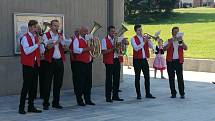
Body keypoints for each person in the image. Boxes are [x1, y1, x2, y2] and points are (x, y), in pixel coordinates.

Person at [18, 20, 43, 114]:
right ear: (31, 27)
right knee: (26, 86)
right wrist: (37, 44)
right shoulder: (24, 37)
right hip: (28, 65)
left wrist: (41, 45)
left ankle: (31, 106)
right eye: (36, 27)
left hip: (36, 64)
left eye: (37, 27)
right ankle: (21, 107)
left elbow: (39, 50)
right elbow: (27, 51)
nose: (37, 29)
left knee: (33, 87)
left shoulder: (36, 37)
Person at [42, 20, 66, 110]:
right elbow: (47, 47)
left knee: (58, 83)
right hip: (49, 62)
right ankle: (46, 103)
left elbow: (64, 47)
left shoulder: (60, 35)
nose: (57, 27)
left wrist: (63, 42)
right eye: (55, 26)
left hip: (59, 61)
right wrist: (56, 42)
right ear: (51, 26)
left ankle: (56, 102)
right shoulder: (46, 35)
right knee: (47, 83)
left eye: (58, 26)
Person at [130, 24, 156, 100]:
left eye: (141, 29)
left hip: (144, 60)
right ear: (135, 31)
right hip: (137, 60)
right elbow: (136, 48)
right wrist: (144, 42)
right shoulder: (133, 39)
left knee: (147, 77)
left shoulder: (144, 38)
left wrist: (149, 40)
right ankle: (138, 94)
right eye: (139, 30)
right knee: (137, 77)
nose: (140, 31)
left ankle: (148, 93)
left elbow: (151, 46)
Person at [163, 27, 188, 99]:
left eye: (177, 32)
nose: (176, 33)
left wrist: (181, 41)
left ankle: (182, 93)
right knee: (171, 78)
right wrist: (170, 42)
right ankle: (173, 93)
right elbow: (164, 49)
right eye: (175, 32)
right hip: (170, 61)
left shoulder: (180, 41)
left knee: (180, 77)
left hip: (178, 61)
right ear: (172, 33)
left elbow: (185, 48)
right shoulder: (169, 40)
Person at [73, 26, 95, 106]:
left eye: (87, 31)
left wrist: (93, 50)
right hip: (80, 64)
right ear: (80, 32)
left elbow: (93, 49)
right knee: (80, 83)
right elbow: (76, 50)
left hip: (88, 63)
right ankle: (79, 100)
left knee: (88, 82)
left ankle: (88, 99)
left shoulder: (88, 39)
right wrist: (87, 49)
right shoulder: (76, 39)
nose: (87, 32)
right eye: (85, 31)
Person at [102, 26, 124, 103]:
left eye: (114, 31)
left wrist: (121, 46)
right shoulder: (104, 40)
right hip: (109, 61)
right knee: (109, 80)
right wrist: (113, 49)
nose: (113, 33)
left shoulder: (116, 39)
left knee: (116, 78)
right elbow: (103, 52)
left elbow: (121, 50)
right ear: (108, 32)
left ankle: (115, 96)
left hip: (117, 60)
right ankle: (108, 97)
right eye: (112, 31)